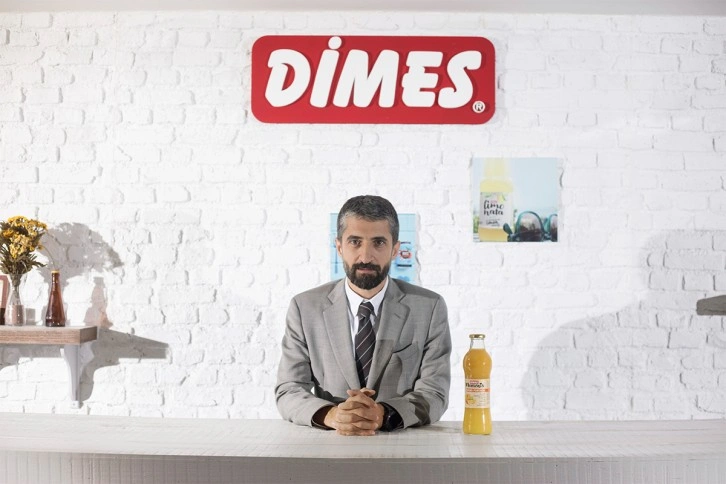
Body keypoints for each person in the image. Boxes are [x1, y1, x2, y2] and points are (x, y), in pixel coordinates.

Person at [275, 195, 452, 435]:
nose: (366, 256)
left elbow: (435, 392)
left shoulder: (429, 308)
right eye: (355, 242)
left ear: (395, 249)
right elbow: (289, 389)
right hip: (329, 446)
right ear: (339, 247)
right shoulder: (304, 308)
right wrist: (332, 416)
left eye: (378, 243)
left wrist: (384, 414)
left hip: (401, 444)